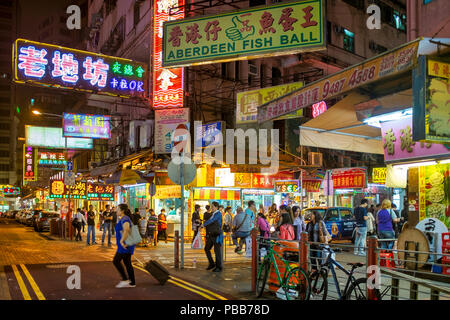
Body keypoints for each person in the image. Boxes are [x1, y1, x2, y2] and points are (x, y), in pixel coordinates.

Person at [113, 204, 136, 288]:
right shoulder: (123, 218)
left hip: (124, 246)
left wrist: (122, 241)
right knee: (127, 263)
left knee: (116, 261)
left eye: (118, 209)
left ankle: (125, 279)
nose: (116, 211)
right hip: (125, 245)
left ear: (122, 211)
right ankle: (132, 282)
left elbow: (126, 230)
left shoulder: (125, 219)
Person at [203, 201, 223, 272]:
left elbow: (211, 221)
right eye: (211, 206)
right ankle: (211, 263)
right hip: (211, 234)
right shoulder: (213, 214)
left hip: (216, 235)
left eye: (213, 207)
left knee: (217, 251)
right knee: (206, 248)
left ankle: (219, 266)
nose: (211, 208)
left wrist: (203, 224)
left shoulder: (218, 214)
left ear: (216, 207)